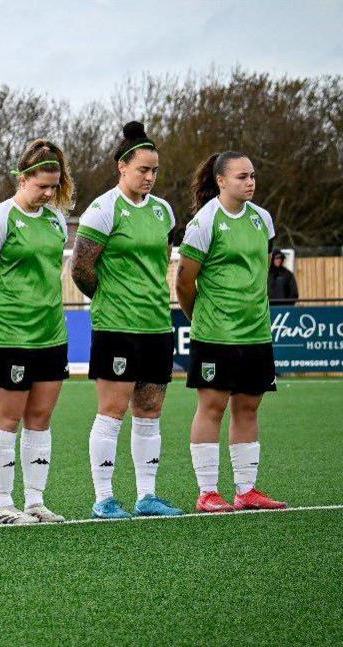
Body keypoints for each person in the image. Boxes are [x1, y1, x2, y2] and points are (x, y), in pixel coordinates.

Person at [70, 121, 184, 519]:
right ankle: (104, 499)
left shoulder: (163, 211)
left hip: (156, 324)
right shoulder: (103, 209)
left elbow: (160, 260)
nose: (150, 177)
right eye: (143, 170)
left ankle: (146, 496)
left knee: (150, 409)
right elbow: (82, 269)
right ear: (122, 167)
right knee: (113, 409)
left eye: (155, 170)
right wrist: (112, 298)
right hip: (116, 326)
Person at [0, 141, 73, 525]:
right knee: (7, 418)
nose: (48, 193)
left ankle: (35, 502)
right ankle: (2, 506)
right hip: (11, 334)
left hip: (51, 332)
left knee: (40, 418)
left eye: (54, 186)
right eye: (42, 185)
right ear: (24, 178)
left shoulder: (56, 220)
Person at [177, 151, 287, 513]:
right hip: (216, 333)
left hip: (256, 332)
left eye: (252, 175)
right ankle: (208, 492)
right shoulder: (205, 222)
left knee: (249, 407)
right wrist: (202, 320)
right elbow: (184, 282)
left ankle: (246, 490)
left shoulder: (263, 220)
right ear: (221, 181)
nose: (250, 182)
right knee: (212, 407)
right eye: (241, 176)